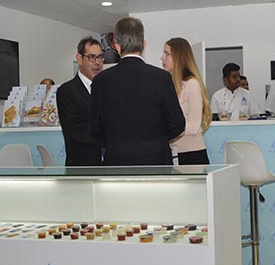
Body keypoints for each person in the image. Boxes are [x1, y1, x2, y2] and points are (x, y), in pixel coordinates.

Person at [90, 17, 185, 166]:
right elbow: (177, 125)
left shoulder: (100, 81)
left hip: (116, 162)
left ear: (117, 47)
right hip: (156, 161)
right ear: (143, 45)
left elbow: (95, 129)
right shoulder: (161, 78)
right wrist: (157, 140)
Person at [161, 37, 212, 165]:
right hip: (173, 152)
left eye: (167, 54)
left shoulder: (192, 84)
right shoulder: (168, 84)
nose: (162, 58)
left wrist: (164, 130)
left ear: (179, 57)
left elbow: (194, 126)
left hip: (192, 153)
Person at [56, 37, 104, 166]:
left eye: (100, 57)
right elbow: (77, 132)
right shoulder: (67, 91)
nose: (97, 62)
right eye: (92, 57)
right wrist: (110, 139)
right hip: (81, 166)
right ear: (79, 59)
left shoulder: (106, 89)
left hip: (108, 165)